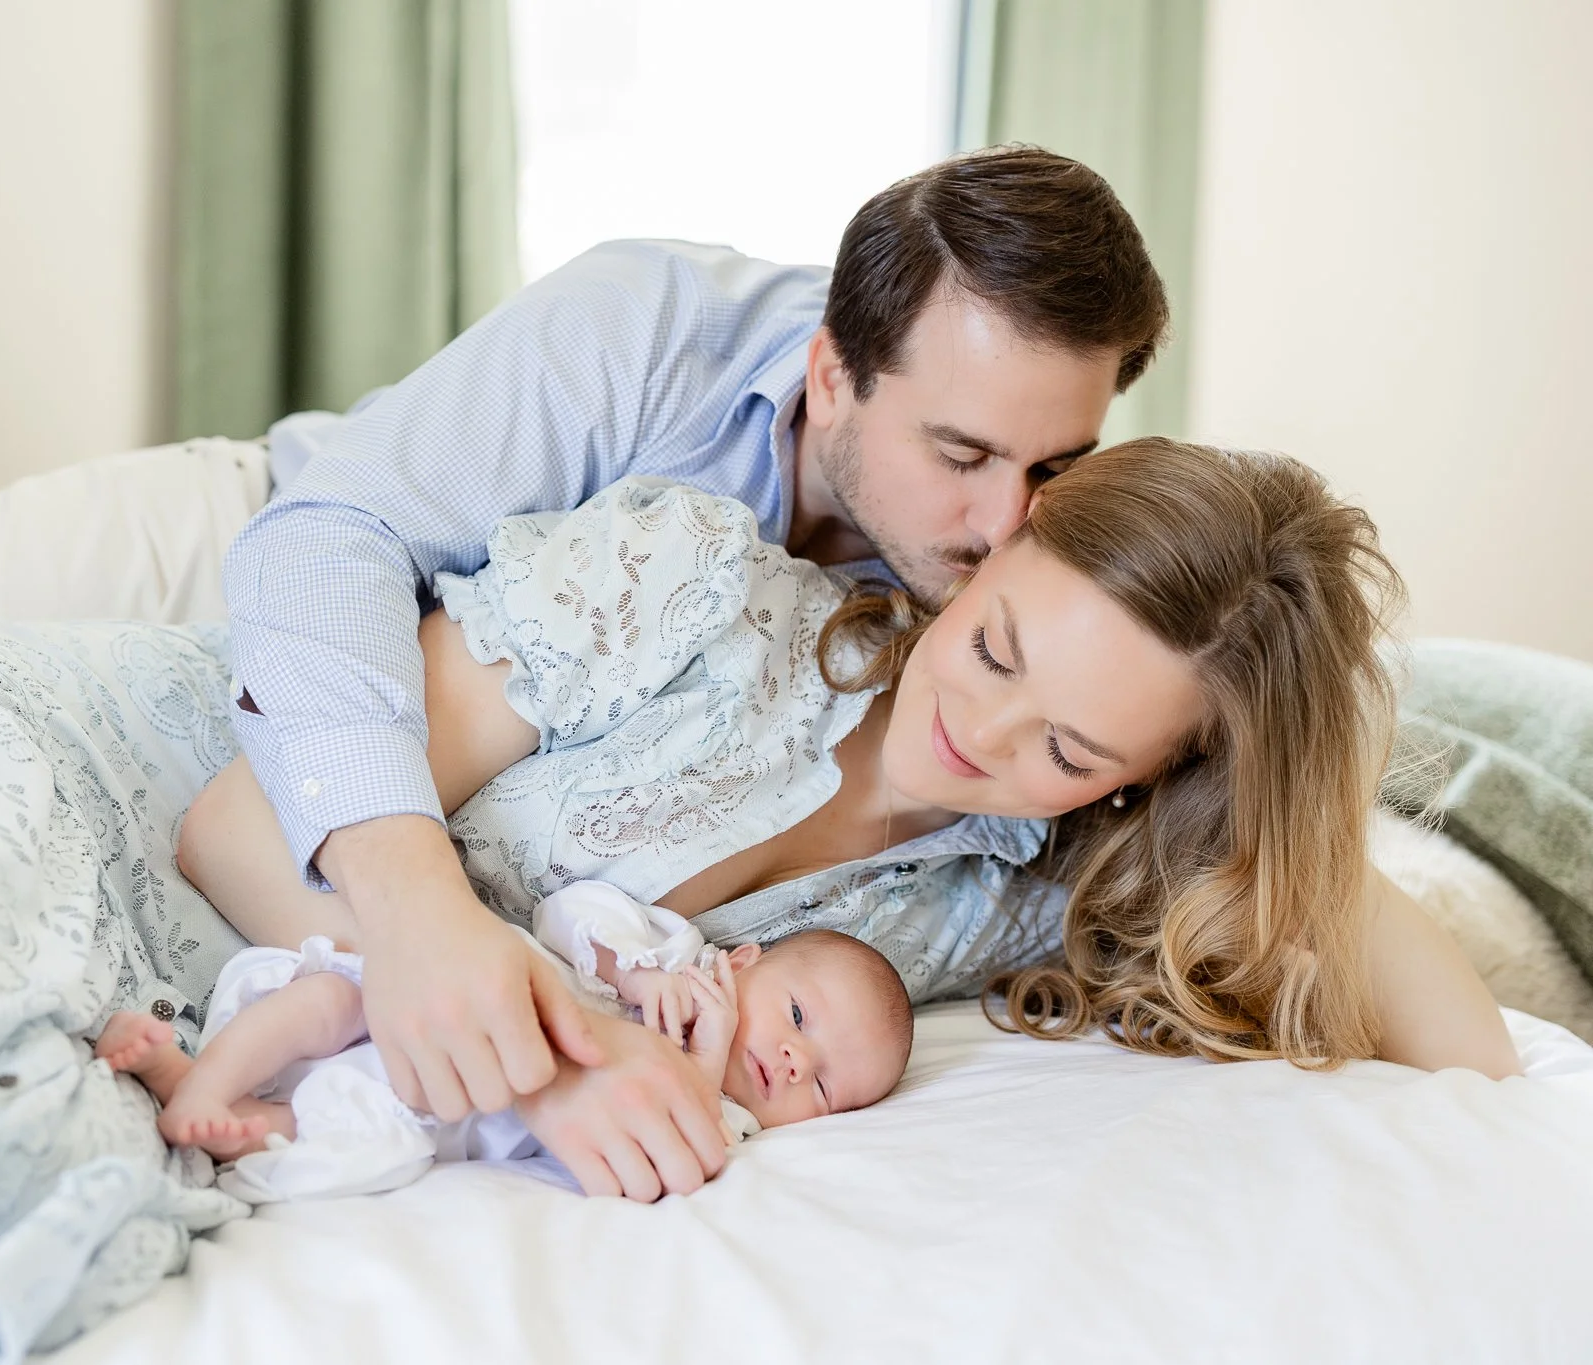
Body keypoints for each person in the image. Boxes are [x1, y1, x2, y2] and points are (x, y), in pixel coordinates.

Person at [180, 445, 1522, 1201]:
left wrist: (1277, 797)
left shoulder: (1013, 895)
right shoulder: (686, 589)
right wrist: (553, 1062)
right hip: (190, 848)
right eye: (993, 647)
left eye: (1068, 747)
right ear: (1003, 542)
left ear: (1142, 780)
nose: (978, 733)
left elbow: (1482, 1070)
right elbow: (234, 828)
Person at [217, 146, 1172, 1191]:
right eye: (960, 455)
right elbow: (320, 545)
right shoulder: (636, 335)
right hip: (302, 545)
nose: (1002, 524)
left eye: (1053, 468)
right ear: (829, 377)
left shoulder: (969, 619)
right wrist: (437, 933)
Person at [89, 878, 912, 1200]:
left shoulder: (731, 1123)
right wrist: (635, 978)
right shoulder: (672, 953)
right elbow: (565, 913)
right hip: (448, 995)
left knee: (357, 1123)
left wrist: (705, 1055)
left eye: (824, 1084)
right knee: (331, 998)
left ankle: (212, 1113)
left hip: (458, 1103)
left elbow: (673, 1143)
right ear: (743, 960)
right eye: (798, 1016)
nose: (796, 1060)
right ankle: (205, 1076)